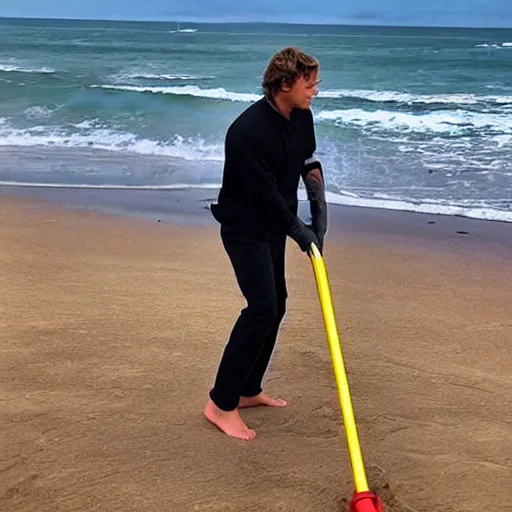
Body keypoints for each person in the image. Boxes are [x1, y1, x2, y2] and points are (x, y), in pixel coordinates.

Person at [204, 47, 328, 441]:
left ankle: (247, 390)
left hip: (273, 225)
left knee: (276, 306)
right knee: (261, 308)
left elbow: (307, 161)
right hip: (244, 227)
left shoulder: (302, 116)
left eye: (315, 84)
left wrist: (318, 216)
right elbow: (264, 198)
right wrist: (299, 231)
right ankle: (220, 405)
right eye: (309, 85)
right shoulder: (247, 132)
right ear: (285, 84)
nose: (314, 92)